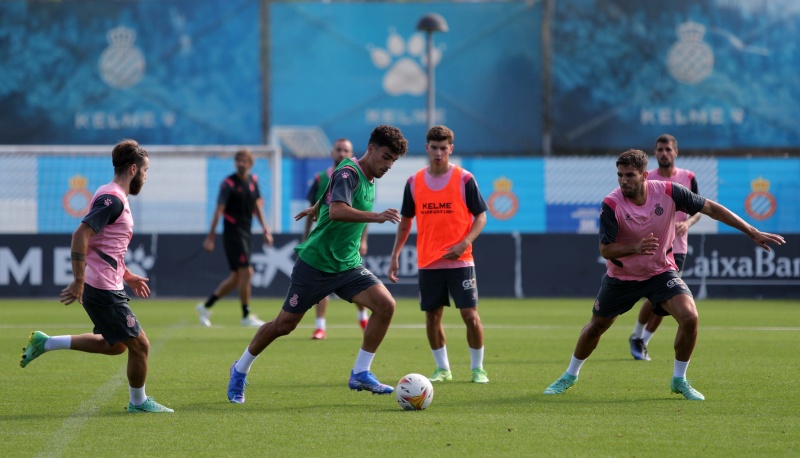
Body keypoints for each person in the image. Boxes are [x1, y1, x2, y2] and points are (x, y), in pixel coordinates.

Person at [543, 149, 784, 401]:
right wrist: (635, 248)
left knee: (690, 317)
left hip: (660, 272)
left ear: (644, 175)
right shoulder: (611, 204)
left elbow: (711, 208)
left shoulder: (669, 192)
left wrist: (752, 231)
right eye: (620, 175)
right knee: (596, 327)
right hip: (622, 278)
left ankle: (679, 380)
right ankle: (570, 375)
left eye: (630, 175)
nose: (623, 180)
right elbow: (605, 249)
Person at [226, 124, 408, 403]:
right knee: (284, 325)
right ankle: (240, 369)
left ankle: (360, 372)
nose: (389, 165)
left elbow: (329, 197)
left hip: (347, 265)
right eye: (386, 157)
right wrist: (376, 216)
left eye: (394, 161)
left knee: (386, 305)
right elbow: (337, 211)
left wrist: (315, 207)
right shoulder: (349, 172)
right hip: (316, 264)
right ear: (370, 149)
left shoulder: (363, 176)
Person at [20, 139, 173, 413]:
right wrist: (78, 280)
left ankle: (46, 342)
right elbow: (81, 235)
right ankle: (138, 403)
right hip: (101, 287)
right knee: (141, 346)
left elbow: (104, 245)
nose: (147, 177)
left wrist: (127, 274)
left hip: (106, 282)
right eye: (146, 171)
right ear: (134, 169)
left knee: (114, 346)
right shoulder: (112, 198)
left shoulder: (111, 194)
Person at [388, 125, 490, 384]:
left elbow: (481, 216)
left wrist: (464, 242)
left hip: (461, 259)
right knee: (432, 316)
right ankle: (443, 369)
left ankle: (478, 369)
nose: (438, 153)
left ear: (451, 149)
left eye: (443, 148)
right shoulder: (414, 181)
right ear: (427, 148)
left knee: (470, 315)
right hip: (428, 261)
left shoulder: (464, 178)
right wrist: (395, 255)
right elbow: (405, 221)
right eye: (434, 148)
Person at [629, 134, 701, 361]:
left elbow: (699, 208)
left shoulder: (687, 177)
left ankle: (641, 339)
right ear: (655, 153)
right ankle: (638, 336)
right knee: (655, 298)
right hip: (653, 246)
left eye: (668, 149)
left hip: (677, 248)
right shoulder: (648, 180)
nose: (663, 153)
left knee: (661, 299)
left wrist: (687, 222)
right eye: (659, 150)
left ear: (675, 152)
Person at [196, 149, 274, 327]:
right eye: (238, 160)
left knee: (237, 277)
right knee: (247, 272)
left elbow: (257, 208)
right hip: (233, 233)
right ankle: (246, 315)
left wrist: (266, 230)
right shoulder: (228, 183)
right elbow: (218, 211)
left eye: (244, 160)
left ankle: (206, 306)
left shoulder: (253, 181)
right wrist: (210, 237)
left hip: (246, 233)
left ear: (250, 163)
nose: (241, 163)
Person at [303, 138, 369, 340]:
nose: (341, 153)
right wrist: (306, 237)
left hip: (349, 242)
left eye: (345, 150)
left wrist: (363, 240)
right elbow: (313, 211)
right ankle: (320, 326)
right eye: (338, 150)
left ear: (351, 154)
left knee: (360, 283)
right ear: (332, 153)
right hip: (324, 242)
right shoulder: (320, 179)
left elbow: (364, 212)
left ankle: (362, 315)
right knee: (321, 286)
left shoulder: (359, 177)